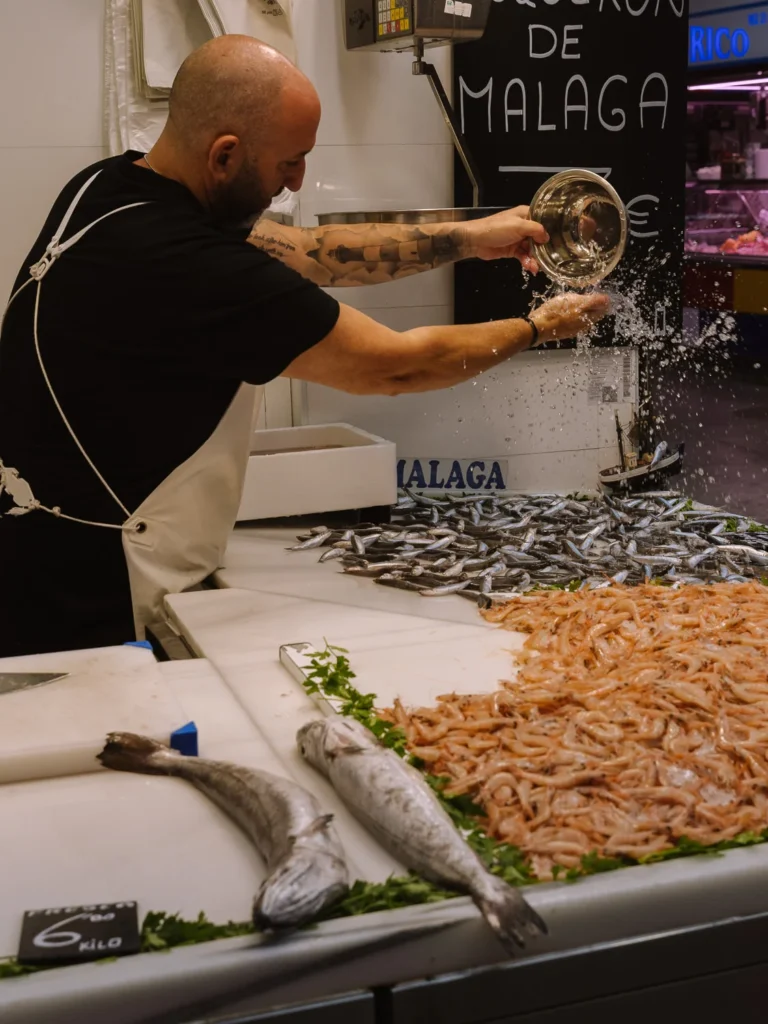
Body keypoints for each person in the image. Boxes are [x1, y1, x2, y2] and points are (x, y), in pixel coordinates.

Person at [0, 36, 609, 658]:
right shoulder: (190, 266)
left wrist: (468, 237)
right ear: (225, 155)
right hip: (91, 594)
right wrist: (540, 326)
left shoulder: (111, 186)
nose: (297, 181)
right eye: (289, 162)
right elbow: (397, 366)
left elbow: (313, 253)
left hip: (31, 551)